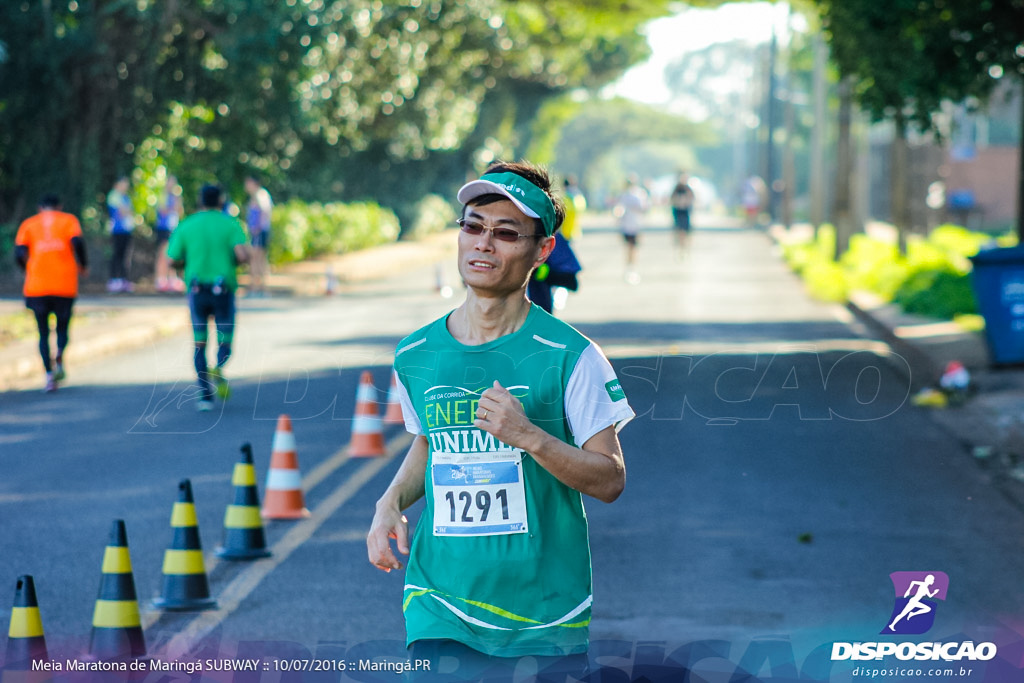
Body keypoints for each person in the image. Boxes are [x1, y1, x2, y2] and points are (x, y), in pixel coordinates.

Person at [367, 161, 634, 680]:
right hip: (439, 601)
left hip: (543, 613)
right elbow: (429, 444)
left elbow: (610, 480)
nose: (484, 244)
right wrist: (389, 502)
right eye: (473, 226)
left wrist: (529, 436)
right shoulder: (415, 354)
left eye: (507, 233)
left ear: (542, 250)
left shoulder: (571, 356)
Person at [166, 184, 249, 412]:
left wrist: (188, 264)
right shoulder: (230, 224)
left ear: (200, 201)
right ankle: (219, 366)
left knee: (199, 343)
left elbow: (171, 259)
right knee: (225, 339)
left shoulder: (187, 225)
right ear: (221, 201)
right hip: (222, 290)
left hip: (196, 290)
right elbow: (242, 254)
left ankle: (204, 395)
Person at [14, 194, 88, 392]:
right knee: (63, 327)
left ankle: (49, 375)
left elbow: (19, 252)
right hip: (64, 285)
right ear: (59, 206)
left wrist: (28, 268)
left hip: (37, 286)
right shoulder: (69, 221)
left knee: (43, 331)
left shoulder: (29, 224)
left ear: (40, 208)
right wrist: (83, 265)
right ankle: (60, 353)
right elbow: (78, 243)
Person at [243, 175, 273, 297]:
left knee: (256, 259)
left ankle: (258, 288)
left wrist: (257, 228)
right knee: (258, 259)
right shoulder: (258, 195)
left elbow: (264, 211)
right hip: (258, 231)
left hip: (259, 232)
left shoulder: (260, 194)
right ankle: (259, 287)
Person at [154, 174, 185, 292]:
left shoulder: (175, 196)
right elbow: (162, 210)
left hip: (173, 228)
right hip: (163, 228)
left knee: (172, 253)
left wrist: (178, 202)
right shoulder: (163, 196)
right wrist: (172, 208)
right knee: (163, 253)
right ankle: (160, 278)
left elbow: (180, 212)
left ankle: (172, 278)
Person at [106, 176, 136, 292]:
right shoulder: (114, 196)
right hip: (117, 231)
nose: (125, 186)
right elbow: (122, 212)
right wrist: (126, 211)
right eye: (123, 183)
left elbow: (130, 211)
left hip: (127, 230)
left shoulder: (125, 197)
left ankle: (124, 280)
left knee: (126, 256)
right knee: (116, 255)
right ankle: (114, 279)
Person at [616, 174, 647, 283]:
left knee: (633, 248)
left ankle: (632, 268)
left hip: (636, 225)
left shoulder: (639, 194)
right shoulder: (624, 195)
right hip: (626, 226)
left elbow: (643, 208)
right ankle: (629, 268)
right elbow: (619, 209)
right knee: (628, 247)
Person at [669, 171, 696, 251]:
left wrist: (686, 201)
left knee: (687, 230)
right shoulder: (676, 188)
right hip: (678, 211)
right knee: (678, 229)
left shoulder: (688, 188)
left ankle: (686, 246)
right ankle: (680, 245)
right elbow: (672, 199)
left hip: (686, 211)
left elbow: (692, 199)